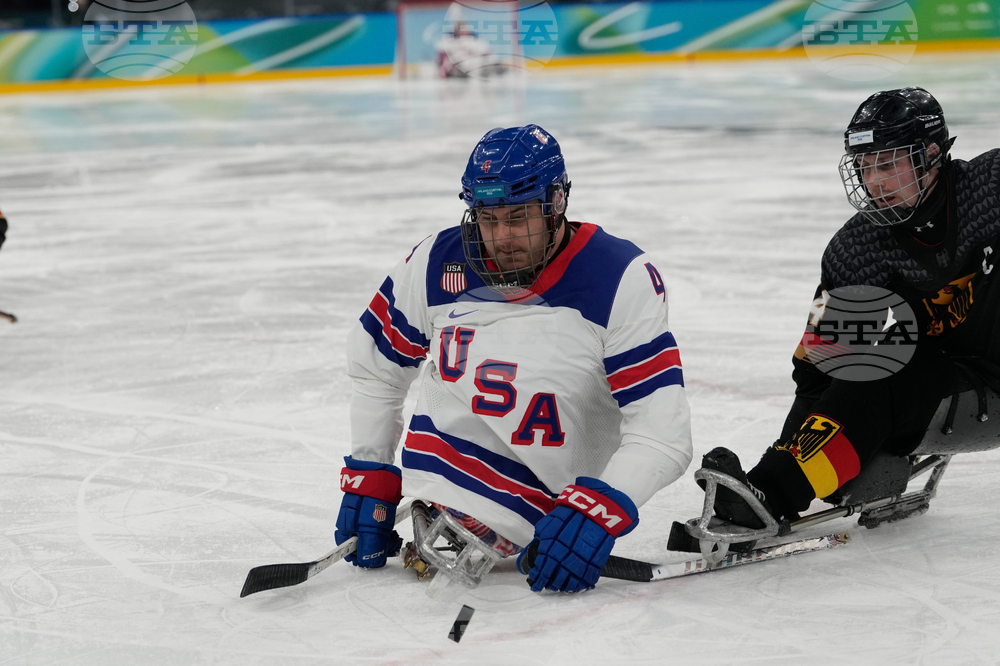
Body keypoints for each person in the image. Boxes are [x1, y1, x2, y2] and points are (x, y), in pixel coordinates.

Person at [335, 124, 693, 592]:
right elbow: (377, 369)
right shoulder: (432, 264)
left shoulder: (619, 277)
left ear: (557, 203)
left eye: (518, 216)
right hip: (438, 494)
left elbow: (663, 432)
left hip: (551, 520)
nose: (501, 236)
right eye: (487, 218)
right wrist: (369, 466)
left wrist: (603, 507)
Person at [698, 87, 1000, 533]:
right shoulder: (858, 249)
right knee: (889, 355)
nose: (873, 181)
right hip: (959, 385)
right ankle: (772, 492)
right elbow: (822, 368)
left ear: (931, 154)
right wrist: (788, 455)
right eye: (864, 166)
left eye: (887, 163)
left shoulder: (990, 188)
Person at [435, 21, 505, 79]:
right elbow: (442, 55)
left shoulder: (475, 40)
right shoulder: (448, 40)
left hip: (475, 65)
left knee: (483, 62)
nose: (464, 31)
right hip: (457, 67)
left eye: (465, 29)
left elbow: (487, 52)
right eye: (461, 29)